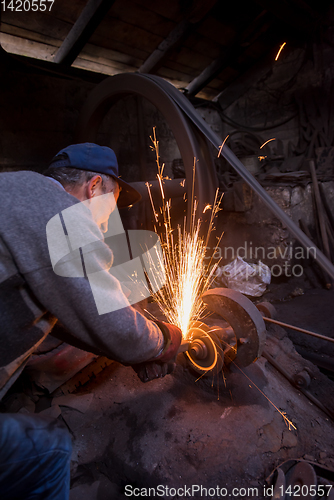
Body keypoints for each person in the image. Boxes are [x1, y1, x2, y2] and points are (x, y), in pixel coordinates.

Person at [0, 142, 182, 500]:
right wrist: (163, 340)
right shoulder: (62, 216)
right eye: (110, 207)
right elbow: (112, 323)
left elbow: (66, 311)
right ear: (95, 185)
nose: (106, 221)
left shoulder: (15, 189)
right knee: (48, 454)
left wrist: (128, 352)